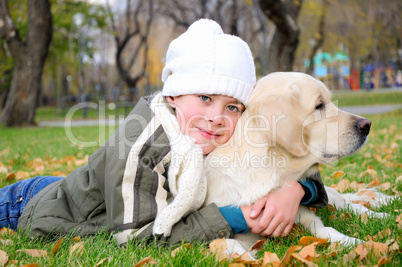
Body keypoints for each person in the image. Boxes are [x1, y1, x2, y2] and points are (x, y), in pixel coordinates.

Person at [0, 19, 327, 246]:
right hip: (37, 206)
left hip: (88, 190)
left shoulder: (216, 128)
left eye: (232, 106)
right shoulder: (143, 145)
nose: (217, 118)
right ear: (172, 96)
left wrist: (296, 190)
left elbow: (281, 157)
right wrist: (234, 218)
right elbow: (139, 234)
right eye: (204, 98)